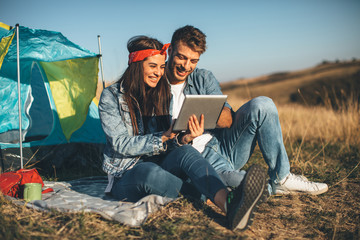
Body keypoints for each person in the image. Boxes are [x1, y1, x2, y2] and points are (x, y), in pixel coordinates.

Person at [98, 35, 267, 230]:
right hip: (127, 172)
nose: (159, 73)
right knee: (150, 173)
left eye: (162, 67)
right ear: (136, 65)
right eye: (153, 66)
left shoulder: (161, 92)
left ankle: (230, 205)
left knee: (187, 152)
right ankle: (212, 190)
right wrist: (161, 137)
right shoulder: (111, 97)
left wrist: (184, 138)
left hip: (161, 163)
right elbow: (120, 144)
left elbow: (168, 144)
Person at [165, 25, 328, 195]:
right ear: (170, 51)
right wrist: (186, 136)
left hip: (223, 146)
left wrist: (200, 113)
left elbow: (228, 120)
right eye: (181, 57)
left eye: (193, 61)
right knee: (259, 187)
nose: (186, 66)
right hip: (197, 159)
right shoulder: (155, 84)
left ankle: (282, 177)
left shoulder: (203, 77)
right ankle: (254, 185)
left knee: (263, 104)